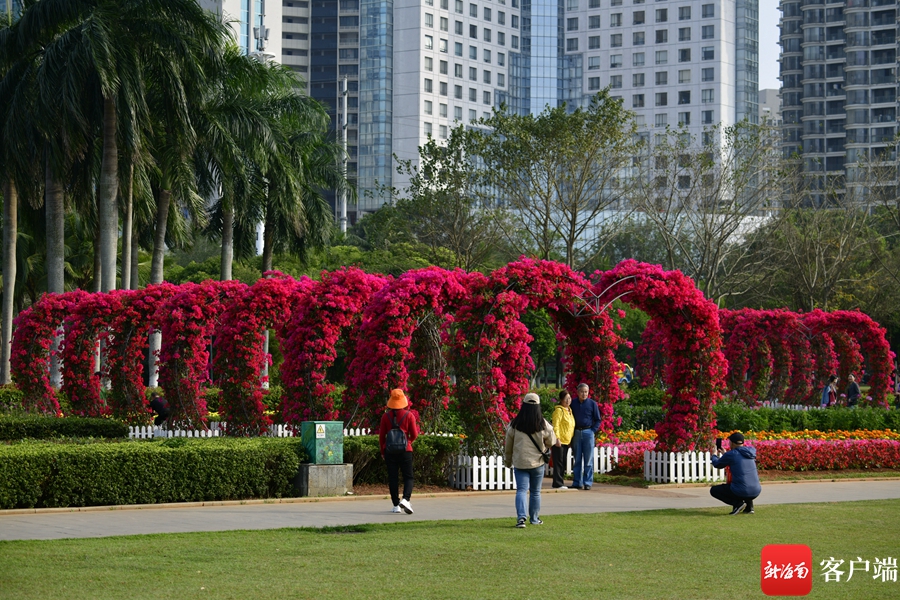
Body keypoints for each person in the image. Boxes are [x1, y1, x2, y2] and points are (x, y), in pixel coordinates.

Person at [503, 393, 559, 528]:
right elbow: (551, 441)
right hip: (537, 462)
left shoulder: (515, 424)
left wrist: (508, 461)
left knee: (521, 490)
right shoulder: (543, 424)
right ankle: (534, 519)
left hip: (520, 462)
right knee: (535, 492)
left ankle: (521, 519)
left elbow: (508, 446)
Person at [378, 388, 419, 515]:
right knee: (408, 477)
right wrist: (408, 442)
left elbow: (381, 436)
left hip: (390, 451)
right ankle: (406, 499)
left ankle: (396, 505)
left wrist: (383, 451)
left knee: (393, 477)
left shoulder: (385, 416)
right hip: (405, 451)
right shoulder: (409, 415)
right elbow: (414, 434)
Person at [710, 432, 761, 515]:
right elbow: (737, 459)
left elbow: (717, 464)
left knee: (714, 490)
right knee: (747, 481)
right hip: (756, 490)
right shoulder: (750, 452)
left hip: (741, 490)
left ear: (732, 443)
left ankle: (738, 504)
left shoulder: (732, 454)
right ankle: (749, 507)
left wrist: (714, 455)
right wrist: (726, 454)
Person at [569, 382, 601, 490]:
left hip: (588, 432)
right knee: (577, 459)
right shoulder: (573, 403)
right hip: (576, 432)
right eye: (582, 392)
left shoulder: (592, 404)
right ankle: (577, 482)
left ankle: (587, 483)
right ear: (578, 392)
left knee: (588, 460)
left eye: (586, 392)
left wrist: (592, 430)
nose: (584, 394)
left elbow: (598, 419)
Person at [550, 390, 574, 489]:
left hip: (566, 441)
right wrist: (557, 438)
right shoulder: (559, 411)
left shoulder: (569, 411)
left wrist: (570, 440)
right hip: (559, 441)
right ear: (561, 400)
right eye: (566, 399)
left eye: (569, 398)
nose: (568, 401)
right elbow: (555, 425)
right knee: (558, 462)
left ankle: (559, 482)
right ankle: (558, 483)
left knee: (563, 461)